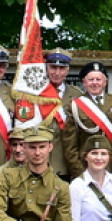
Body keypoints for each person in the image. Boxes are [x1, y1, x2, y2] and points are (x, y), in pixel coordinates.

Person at [62, 61, 112, 180]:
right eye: (91, 80)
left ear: (105, 82)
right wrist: (79, 171)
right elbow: (70, 145)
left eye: (98, 79)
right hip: (85, 167)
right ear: (84, 82)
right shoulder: (75, 106)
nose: (94, 83)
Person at [42, 49, 82, 181]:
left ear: (68, 70)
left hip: (66, 162)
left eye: (62, 68)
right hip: (40, 159)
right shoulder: (35, 93)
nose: (57, 72)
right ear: (46, 68)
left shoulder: (77, 95)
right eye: (53, 67)